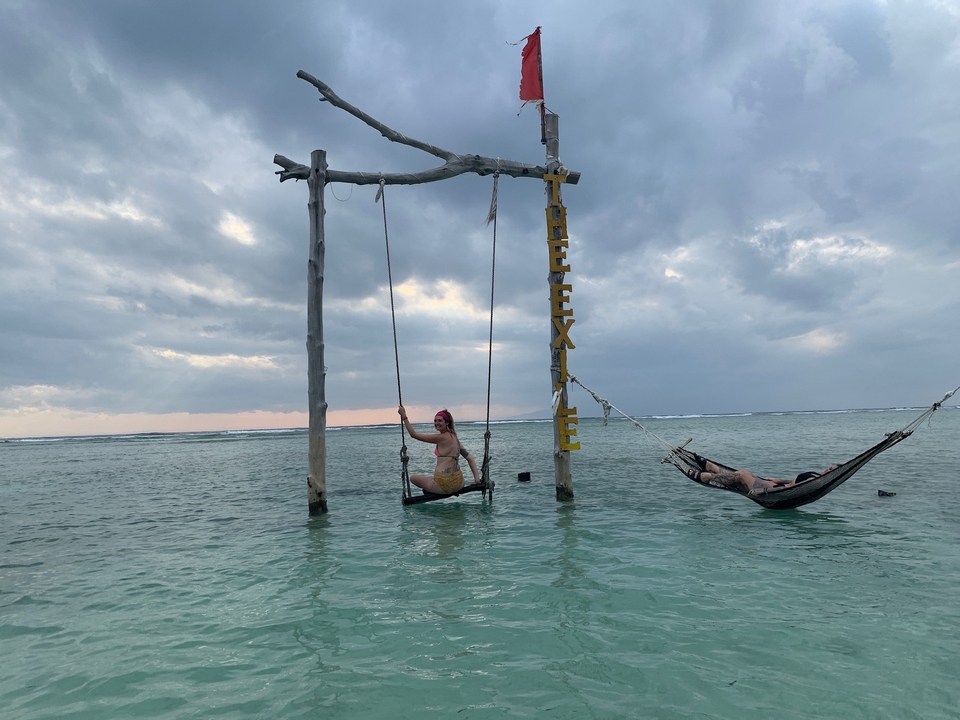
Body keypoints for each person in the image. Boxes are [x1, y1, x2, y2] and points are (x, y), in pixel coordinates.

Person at [398, 406, 481, 495]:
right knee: (430, 479)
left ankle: (432, 489)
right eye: (435, 421)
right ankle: (431, 488)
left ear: (447, 422)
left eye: (440, 421)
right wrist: (477, 479)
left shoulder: (440, 438)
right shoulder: (454, 438)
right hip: (458, 484)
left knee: (413, 478)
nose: (437, 423)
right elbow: (470, 458)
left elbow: (414, 435)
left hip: (443, 485)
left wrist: (404, 416)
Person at [685, 457, 841, 495]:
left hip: (774, 491)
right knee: (738, 480)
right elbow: (792, 481)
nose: (828, 469)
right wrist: (778, 479)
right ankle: (711, 468)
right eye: (830, 467)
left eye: (831, 471)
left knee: (743, 474)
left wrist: (763, 491)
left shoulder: (816, 481)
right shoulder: (815, 474)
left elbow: (795, 489)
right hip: (775, 485)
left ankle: (708, 476)